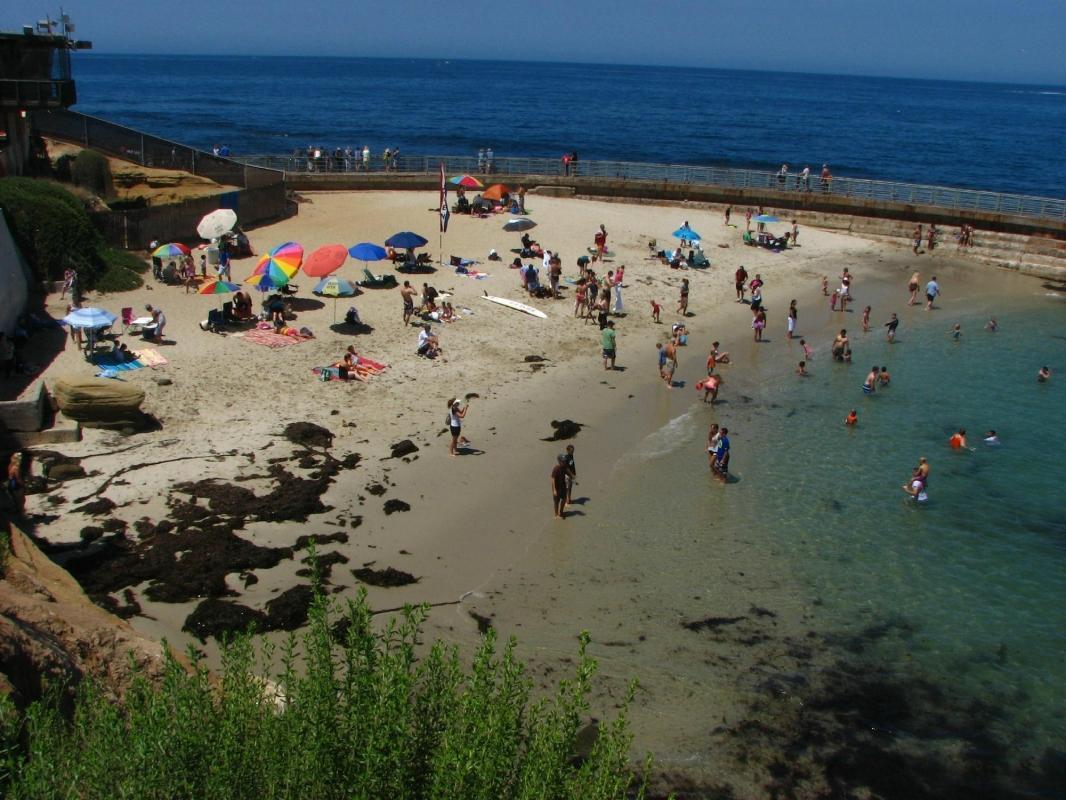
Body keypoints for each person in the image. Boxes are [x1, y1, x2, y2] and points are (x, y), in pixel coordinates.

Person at [551, 454, 569, 519]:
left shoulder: (564, 467)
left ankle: (561, 512)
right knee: (556, 502)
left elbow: (567, 472)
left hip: (563, 487)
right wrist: (554, 490)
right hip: (557, 488)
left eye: (564, 461)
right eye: (563, 461)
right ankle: (556, 514)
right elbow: (552, 479)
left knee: (564, 499)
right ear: (559, 461)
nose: (564, 462)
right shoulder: (556, 469)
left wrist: (572, 476)